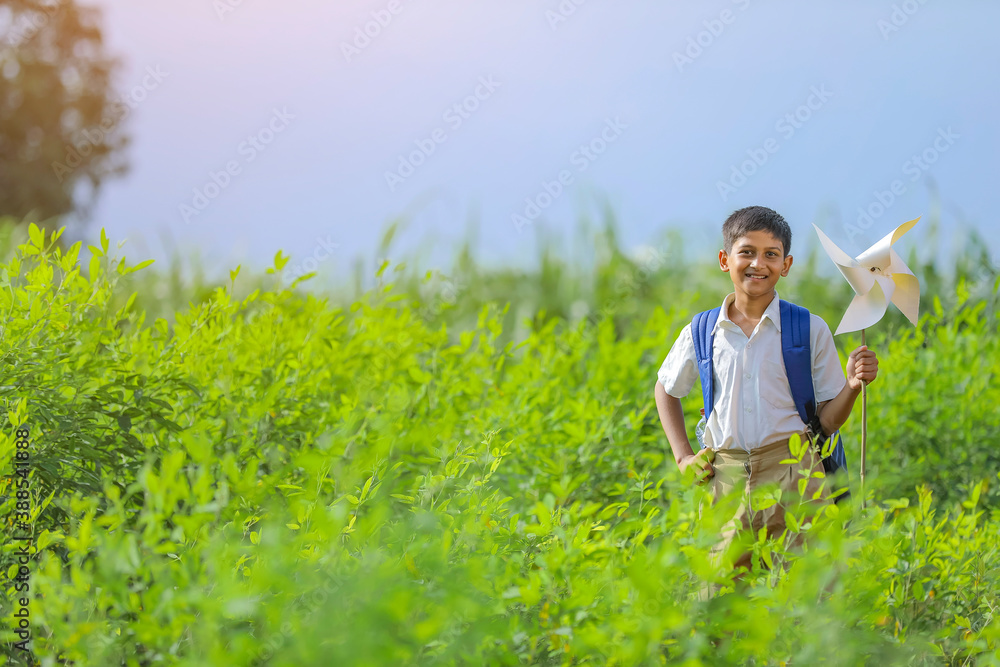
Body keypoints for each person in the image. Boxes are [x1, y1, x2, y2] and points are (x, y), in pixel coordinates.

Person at [652, 206, 879, 577]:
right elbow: (667, 388)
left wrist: (853, 386)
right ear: (725, 260)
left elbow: (827, 420)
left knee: (807, 595)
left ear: (786, 264)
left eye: (771, 254)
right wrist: (683, 458)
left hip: (796, 472)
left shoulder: (809, 328)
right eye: (747, 252)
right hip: (724, 476)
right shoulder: (703, 330)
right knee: (719, 598)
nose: (759, 263)